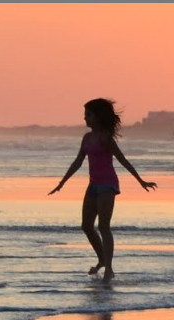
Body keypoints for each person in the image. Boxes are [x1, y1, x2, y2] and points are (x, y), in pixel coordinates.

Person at [48, 98, 157, 283]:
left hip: (108, 185)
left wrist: (141, 181)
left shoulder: (106, 138)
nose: (85, 118)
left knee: (104, 227)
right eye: (85, 115)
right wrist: (62, 183)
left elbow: (122, 160)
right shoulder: (87, 138)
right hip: (93, 186)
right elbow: (78, 161)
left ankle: (110, 269)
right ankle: (102, 260)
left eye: (88, 115)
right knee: (87, 226)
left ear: (98, 117)